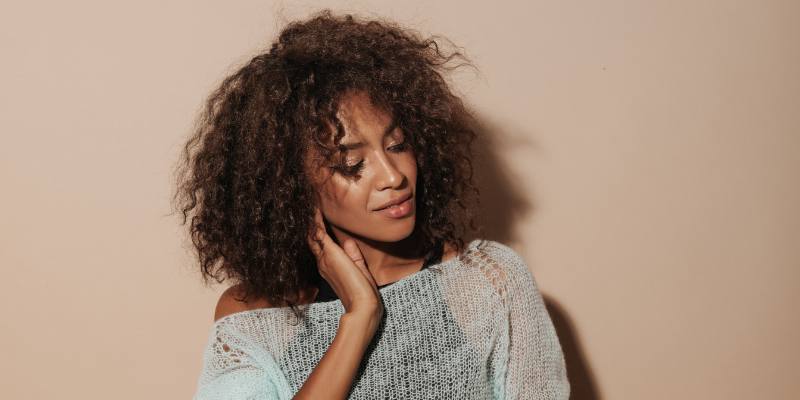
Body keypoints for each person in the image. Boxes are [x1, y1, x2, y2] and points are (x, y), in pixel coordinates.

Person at [173, 9, 570, 399]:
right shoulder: (252, 317)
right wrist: (358, 319)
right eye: (352, 164)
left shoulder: (487, 282)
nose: (393, 176)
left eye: (398, 145)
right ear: (290, 185)